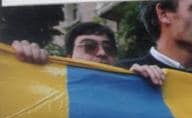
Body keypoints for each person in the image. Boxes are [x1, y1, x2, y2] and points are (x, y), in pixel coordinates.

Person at [11, 22, 165, 86]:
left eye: (108, 48)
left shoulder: (133, 84)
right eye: (89, 47)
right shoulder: (51, 86)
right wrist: (21, 67)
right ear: (69, 57)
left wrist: (139, 87)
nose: (102, 53)